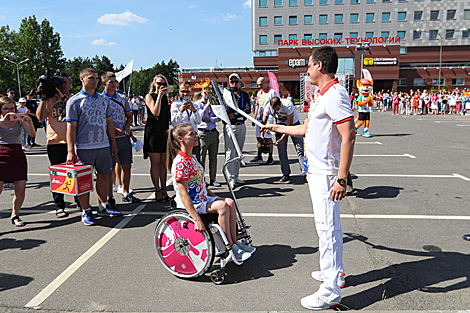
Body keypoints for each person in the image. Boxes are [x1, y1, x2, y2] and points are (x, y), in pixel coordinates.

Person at [262, 46, 355, 310]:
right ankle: (335, 275)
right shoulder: (321, 95)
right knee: (330, 227)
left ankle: (330, 291)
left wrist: (341, 177)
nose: (307, 70)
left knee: (326, 230)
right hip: (317, 171)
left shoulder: (335, 94)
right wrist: (278, 127)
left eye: (310, 65)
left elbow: (348, 135)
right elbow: (306, 128)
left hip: (327, 173)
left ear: (321, 67)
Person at [167, 123, 254, 263]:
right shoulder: (181, 163)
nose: (196, 136)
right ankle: (229, 247)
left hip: (201, 198)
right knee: (222, 206)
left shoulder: (192, 157)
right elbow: (184, 194)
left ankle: (234, 243)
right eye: (191, 134)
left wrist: (210, 193)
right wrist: (196, 219)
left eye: (195, 133)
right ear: (180, 139)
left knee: (230, 201)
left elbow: (197, 181)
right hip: (192, 203)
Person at [66, 68, 120, 226]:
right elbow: (71, 128)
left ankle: (102, 205)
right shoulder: (75, 101)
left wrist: (113, 143)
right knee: (84, 180)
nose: (95, 81)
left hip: (103, 145)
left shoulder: (104, 99)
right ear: (82, 79)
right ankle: (86, 210)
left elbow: (109, 123)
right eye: (91, 78)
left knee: (104, 176)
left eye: (96, 78)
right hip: (84, 146)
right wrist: (71, 151)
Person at [37, 71, 81, 217]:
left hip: (74, 142)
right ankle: (59, 205)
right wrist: (43, 98)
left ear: (69, 84)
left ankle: (80, 202)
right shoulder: (49, 99)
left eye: (64, 82)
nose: (61, 86)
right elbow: (40, 117)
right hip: (55, 141)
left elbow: (75, 111)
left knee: (75, 174)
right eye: (58, 83)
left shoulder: (74, 98)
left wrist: (62, 97)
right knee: (57, 175)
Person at [102, 72, 140, 205]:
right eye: (110, 82)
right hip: (107, 138)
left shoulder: (122, 99)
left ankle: (125, 192)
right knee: (109, 168)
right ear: (104, 83)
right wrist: (112, 129)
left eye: (115, 81)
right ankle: (109, 197)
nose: (114, 84)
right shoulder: (100, 99)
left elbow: (129, 116)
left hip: (123, 137)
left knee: (126, 165)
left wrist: (128, 127)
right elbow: (100, 120)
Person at [0, 96, 36, 226]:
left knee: (20, 189)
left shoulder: (18, 119)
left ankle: (15, 214)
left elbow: (32, 134)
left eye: (12, 108)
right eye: (6, 109)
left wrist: (29, 122)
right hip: (1, 155)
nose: (9, 111)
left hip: (17, 155)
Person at [263, 96, 305, 182]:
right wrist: (264, 131)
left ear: (280, 104)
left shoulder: (288, 105)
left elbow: (289, 127)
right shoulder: (268, 107)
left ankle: (305, 172)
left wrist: (281, 139)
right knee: (281, 152)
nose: (275, 111)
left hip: (293, 125)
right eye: (273, 109)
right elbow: (263, 122)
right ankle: (286, 173)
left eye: (277, 109)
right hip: (280, 126)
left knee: (300, 149)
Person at [144, 74, 172, 202]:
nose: (161, 86)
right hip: (153, 132)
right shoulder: (150, 96)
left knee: (163, 163)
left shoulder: (166, 97)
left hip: (164, 131)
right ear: (154, 84)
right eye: (159, 83)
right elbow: (155, 112)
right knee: (155, 163)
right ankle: (157, 190)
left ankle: (164, 189)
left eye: (164, 84)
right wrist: (159, 96)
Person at [224, 73, 251, 189]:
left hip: (241, 125)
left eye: (236, 82)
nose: (234, 84)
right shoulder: (226, 95)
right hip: (230, 126)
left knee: (239, 151)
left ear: (240, 82)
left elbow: (247, 109)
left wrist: (235, 114)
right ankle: (230, 178)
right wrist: (237, 114)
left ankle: (235, 175)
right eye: (232, 82)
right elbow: (226, 110)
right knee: (230, 152)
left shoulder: (244, 95)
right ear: (229, 83)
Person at [196, 90, 221, 187]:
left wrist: (210, 119)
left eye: (209, 93)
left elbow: (219, 117)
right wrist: (207, 106)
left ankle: (213, 179)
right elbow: (199, 116)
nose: (207, 95)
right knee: (202, 158)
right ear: (202, 92)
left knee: (213, 158)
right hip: (203, 133)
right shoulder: (198, 104)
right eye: (206, 92)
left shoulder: (214, 104)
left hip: (213, 132)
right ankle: (202, 180)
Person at [171, 81, 201, 160]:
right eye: (183, 91)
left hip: (193, 136)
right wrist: (180, 111)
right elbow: (174, 123)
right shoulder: (175, 104)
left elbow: (198, 122)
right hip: (181, 138)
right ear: (179, 91)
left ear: (190, 91)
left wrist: (194, 111)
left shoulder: (195, 105)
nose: (185, 94)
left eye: (187, 91)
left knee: (195, 161)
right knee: (182, 161)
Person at [251, 77, 277, 164]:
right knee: (258, 137)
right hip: (259, 118)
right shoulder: (259, 93)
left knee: (268, 137)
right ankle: (259, 155)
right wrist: (254, 118)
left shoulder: (272, 92)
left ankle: (270, 157)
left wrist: (275, 120)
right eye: (258, 84)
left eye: (261, 84)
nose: (259, 86)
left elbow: (276, 105)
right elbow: (257, 105)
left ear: (266, 82)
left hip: (269, 118)